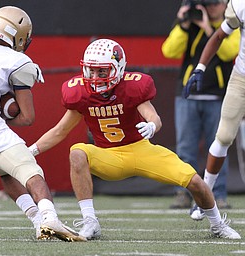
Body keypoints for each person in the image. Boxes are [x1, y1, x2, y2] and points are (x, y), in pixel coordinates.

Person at [28, 38, 241, 240]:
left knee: (195, 182)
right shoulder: (81, 93)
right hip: (108, 157)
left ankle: (217, 224)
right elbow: (60, 131)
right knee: (77, 151)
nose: (95, 76)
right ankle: (90, 221)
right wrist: (32, 151)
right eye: (91, 70)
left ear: (118, 67)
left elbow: (154, 118)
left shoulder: (132, 86)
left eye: (102, 70)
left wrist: (151, 126)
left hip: (141, 150)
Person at [0, 6, 86, 242]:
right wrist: (7, 111)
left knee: (6, 172)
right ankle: (50, 218)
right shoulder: (17, 61)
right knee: (31, 170)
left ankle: (38, 221)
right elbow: (27, 118)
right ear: (19, 35)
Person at [161, 0, 240, 215]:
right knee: (185, 148)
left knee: (218, 146)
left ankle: (219, 194)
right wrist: (182, 23)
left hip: (217, 95)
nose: (211, 8)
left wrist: (209, 28)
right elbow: (169, 50)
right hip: (188, 95)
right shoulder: (189, 26)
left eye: (215, 3)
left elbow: (228, 52)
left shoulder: (231, 24)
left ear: (224, 5)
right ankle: (183, 193)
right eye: (207, 3)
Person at [185, 0, 245, 222]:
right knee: (224, 136)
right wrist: (200, 67)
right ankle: (203, 198)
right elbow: (219, 36)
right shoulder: (240, 5)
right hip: (241, 79)